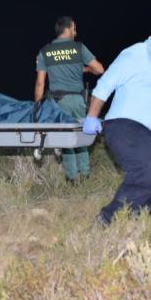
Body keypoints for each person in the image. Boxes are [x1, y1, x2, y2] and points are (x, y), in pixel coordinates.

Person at [83, 23, 151, 225]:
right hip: (126, 126)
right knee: (145, 175)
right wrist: (92, 117)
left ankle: (136, 224)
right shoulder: (136, 54)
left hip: (150, 134)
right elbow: (105, 84)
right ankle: (106, 220)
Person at [34, 16, 104, 182]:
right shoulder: (79, 47)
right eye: (74, 28)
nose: (76, 32)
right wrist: (86, 69)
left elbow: (40, 83)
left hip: (58, 103)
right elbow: (99, 69)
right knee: (81, 136)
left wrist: (37, 108)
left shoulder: (45, 51)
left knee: (65, 139)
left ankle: (72, 178)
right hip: (78, 100)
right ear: (68, 28)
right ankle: (85, 175)